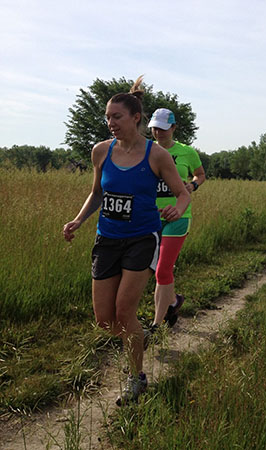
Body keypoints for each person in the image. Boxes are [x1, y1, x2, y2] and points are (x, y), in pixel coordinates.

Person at [62, 77, 190, 406]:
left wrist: (177, 207)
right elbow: (97, 193)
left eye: (116, 116)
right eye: (107, 117)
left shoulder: (157, 154)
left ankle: (137, 377)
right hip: (107, 238)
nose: (110, 123)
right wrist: (79, 219)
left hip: (142, 239)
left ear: (135, 117)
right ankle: (137, 336)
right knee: (105, 320)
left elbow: (183, 192)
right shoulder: (101, 151)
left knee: (123, 311)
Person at [146, 108, 205, 343]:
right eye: (154, 127)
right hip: (150, 216)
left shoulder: (186, 152)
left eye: (163, 127)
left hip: (178, 216)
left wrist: (192, 186)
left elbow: (200, 174)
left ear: (173, 128)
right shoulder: (146, 151)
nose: (158, 132)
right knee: (152, 269)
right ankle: (173, 302)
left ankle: (155, 326)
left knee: (162, 269)